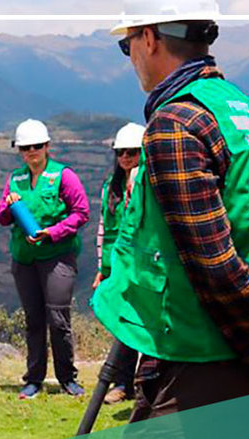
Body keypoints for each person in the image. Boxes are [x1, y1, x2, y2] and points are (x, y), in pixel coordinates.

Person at [96, 0, 249, 439]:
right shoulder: (248, 113)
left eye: (126, 45)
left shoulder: (176, 123)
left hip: (202, 356)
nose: (130, 57)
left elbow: (214, 264)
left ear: (149, 38)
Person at [0, 118, 90, 399]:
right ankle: (33, 379)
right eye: (25, 148)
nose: (31, 152)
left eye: (36, 146)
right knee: (34, 319)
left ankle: (67, 377)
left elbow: (81, 212)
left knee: (58, 318)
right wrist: (9, 206)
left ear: (47, 146)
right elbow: (2, 218)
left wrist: (52, 233)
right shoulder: (15, 179)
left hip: (57, 256)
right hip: (24, 259)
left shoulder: (64, 176)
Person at [93, 122, 145, 405]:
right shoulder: (109, 189)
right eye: (120, 152)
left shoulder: (148, 187)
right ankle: (123, 382)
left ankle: (143, 383)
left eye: (131, 152)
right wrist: (101, 270)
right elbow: (103, 229)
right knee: (121, 324)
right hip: (117, 267)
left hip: (143, 268)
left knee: (144, 324)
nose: (125, 157)